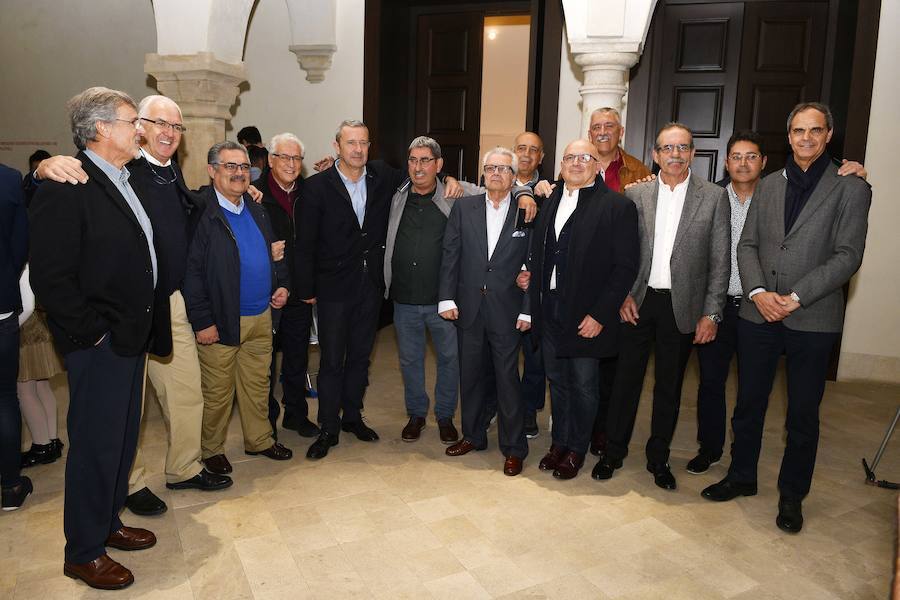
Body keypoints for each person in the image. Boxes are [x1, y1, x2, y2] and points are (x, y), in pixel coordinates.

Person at [35, 95, 234, 517]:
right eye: (155, 123)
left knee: (182, 393)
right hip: (121, 313)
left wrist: (239, 188)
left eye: (176, 127)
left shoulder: (169, 172)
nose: (165, 133)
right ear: (133, 124)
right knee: (125, 409)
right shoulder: (118, 171)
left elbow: (186, 210)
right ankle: (129, 484)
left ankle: (183, 467)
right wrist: (42, 167)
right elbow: (58, 224)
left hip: (168, 302)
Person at [701, 103, 871, 534]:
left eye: (815, 130)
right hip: (759, 315)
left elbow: (848, 255)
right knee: (749, 404)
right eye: (798, 130)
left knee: (802, 414)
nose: (806, 138)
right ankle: (741, 477)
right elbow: (748, 245)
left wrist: (795, 297)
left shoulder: (851, 187)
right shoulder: (770, 185)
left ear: (829, 134)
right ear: (788, 135)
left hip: (813, 317)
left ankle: (792, 495)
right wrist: (758, 293)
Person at [29, 86, 165, 589]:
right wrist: (92, 336)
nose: (142, 130)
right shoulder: (66, 186)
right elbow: (52, 278)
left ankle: (107, 523)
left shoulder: (122, 178)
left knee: (121, 439)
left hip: (130, 335)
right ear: (102, 129)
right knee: (93, 446)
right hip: (100, 344)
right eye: (133, 121)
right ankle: (82, 551)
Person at [594, 122, 730, 491]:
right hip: (637, 303)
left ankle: (658, 458)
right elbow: (622, 253)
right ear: (655, 155)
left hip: (682, 308)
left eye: (683, 148)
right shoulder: (636, 195)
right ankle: (614, 453)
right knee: (625, 383)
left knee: (669, 388)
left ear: (693, 153)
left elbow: (720, 262)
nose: (675, 155)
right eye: (668, 149)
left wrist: (711, 312)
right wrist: (622, 294)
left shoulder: (714, 197)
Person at [525, 139, 639, 479]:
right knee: (557, 381)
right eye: (570, 157)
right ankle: (559, 442)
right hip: (550, 307)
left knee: (584, 385)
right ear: (561, 165)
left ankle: (576, 448)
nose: (576, 163)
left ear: (596, 166)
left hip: (587, 313)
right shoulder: (550, 201)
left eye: (584, 158)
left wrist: (601, 315)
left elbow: (625, 268)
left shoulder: (616, 206)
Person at [184, 141, 293, 475]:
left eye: (244, 167)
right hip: (222, 318)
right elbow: (192, 272)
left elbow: (275, 251)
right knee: (217, 392)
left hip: (261, 315)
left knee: (258, 384)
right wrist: (203, 320)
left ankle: (259, 439)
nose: (238, 173)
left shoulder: (257, 208)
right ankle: (211, 448)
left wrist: (282, 285)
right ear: (212, 170)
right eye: (230, 166)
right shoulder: (201, 213)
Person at [439, 147, 532, 476]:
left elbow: (533, 264)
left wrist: (528, 308)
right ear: (483, 173)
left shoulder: (526, 211)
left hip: (507, 310)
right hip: (469, 307)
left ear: (512, 176)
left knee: (508, 380)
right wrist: (446, 298)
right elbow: (450, 254)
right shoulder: (464, 208)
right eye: (490, 168)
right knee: (472, 376)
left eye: (503, 169)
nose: (496, 173)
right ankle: (473, 436)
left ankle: (514, 447)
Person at [387, 136, 486, 444]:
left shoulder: (456, 195)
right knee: (410, 360)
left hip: (443, 301)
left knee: (448, 359)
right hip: (404, 298)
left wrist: (525, 193)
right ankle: (416, 414)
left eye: (425, 160)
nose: (418, 167)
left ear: (439, 165)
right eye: (413, 160)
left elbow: (495, 189)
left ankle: (445, 416)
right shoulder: (397, 196)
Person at [253, 133, 320, 438]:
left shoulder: (310, 194)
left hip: (300, 292)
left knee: (296, 358)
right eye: (284, 157)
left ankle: (296, 414)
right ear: (271, 159)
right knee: (263, 363)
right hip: (266, 292)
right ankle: (265, 421)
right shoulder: (253, 195)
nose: (291, 164)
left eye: (296, 158)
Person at [0, 161, 31, 511]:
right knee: (5, 397)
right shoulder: (8, 179)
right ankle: (10, 486)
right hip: (2, 305)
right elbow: (21, 246)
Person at [17, 300, 65, 468]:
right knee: (42, 386)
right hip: (40, 323)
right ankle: (51, 441)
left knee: (24, 390)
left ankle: (42, 446)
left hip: (25, 330)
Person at [588, 107, 652, 192]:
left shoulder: (639, 171)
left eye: (609, 126)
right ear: (590, 135)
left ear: (621, 132)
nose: (602, 132)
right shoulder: (576, 168)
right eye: (597, 127)